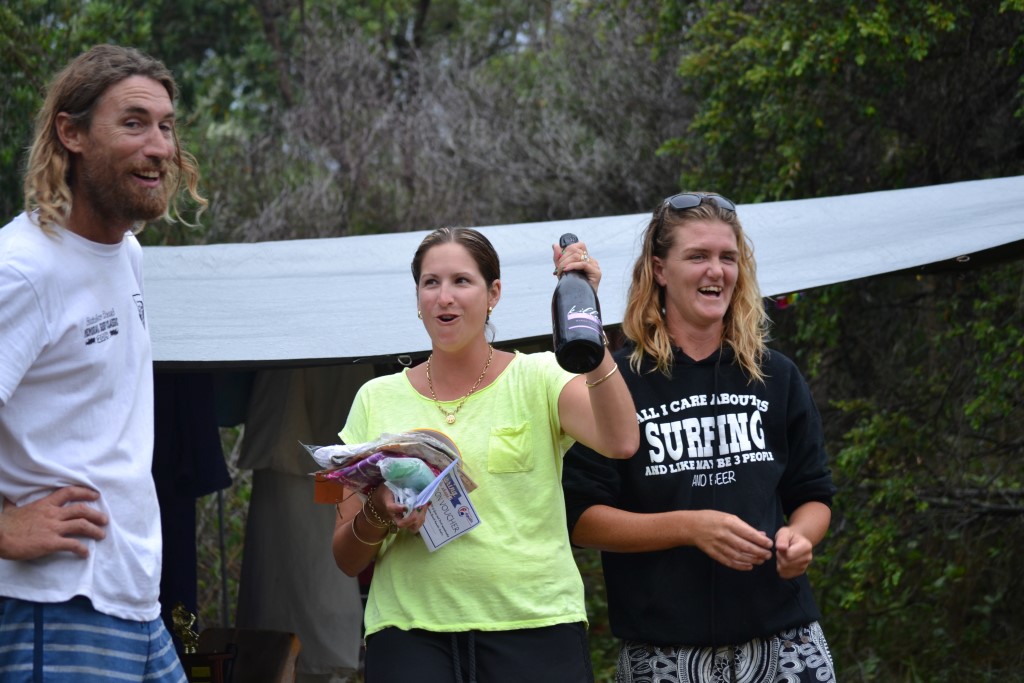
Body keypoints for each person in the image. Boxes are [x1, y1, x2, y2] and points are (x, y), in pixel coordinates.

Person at [331, 226, 639, 683]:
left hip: (537, 628)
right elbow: (346, 558)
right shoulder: (375, 398)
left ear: (494, 292)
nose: (444, 297)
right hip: (410, 637)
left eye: (462, 281)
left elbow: (622, 441)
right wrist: (379, 510)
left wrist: (587, 327)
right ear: (417, 298)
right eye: (430, 283)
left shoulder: (540, 375)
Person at [562, 192, 837, 683]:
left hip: (785, 642)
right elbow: (582, 520)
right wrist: (689, 527)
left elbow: (813, 494)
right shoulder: (613, 381)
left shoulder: (776, 374)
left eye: (727, 257)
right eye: (698, 256)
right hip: (664, 651)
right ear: (660, 270)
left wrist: (800, 538)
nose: (717, 271)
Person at [0, 44, 205, 680]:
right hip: (51, 602)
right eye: (134, 122)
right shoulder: (23, 269)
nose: (160, 147)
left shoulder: (129, 254)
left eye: (166, 126)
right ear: (72, 132)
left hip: (134, 598)